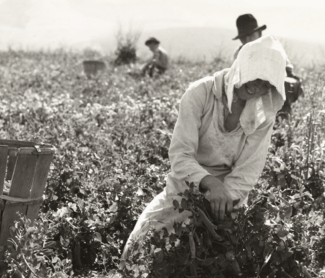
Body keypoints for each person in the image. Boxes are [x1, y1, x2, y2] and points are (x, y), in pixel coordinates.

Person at [123, 35, 287, 259]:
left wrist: (224, 198)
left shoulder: (262, 111)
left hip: (230, 197)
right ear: (241, 68)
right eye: (255, 76)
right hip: (185, 188)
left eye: (266, 83)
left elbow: (249, 168)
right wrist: (210, 185)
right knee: (135, 253)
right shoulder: (200, 93)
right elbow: (180, 157)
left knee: (234, 256)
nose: (258, 87)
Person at [233, 14, 303, 119]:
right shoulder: (239, 54)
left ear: (259, 33)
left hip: (275, 85)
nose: (247, 39)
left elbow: (287, 71)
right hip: (253, 89)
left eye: (251, 35)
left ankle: (283, 119)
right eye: (244, 37)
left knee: (286, 85)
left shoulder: (272, 48)